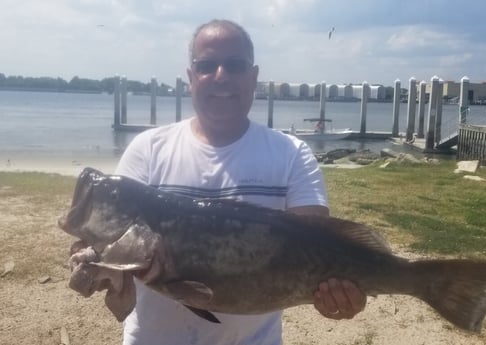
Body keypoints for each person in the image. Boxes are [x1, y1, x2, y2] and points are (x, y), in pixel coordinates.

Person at [115, 19, 367, 345]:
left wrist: (347, 292)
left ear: (254, 76)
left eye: (235, 65)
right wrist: (96, 265)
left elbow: (319, 245)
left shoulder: (292, 154)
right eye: (207, 66)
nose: (221, 75)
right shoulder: (147, 150)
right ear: (191, 78)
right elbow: (118, 244)